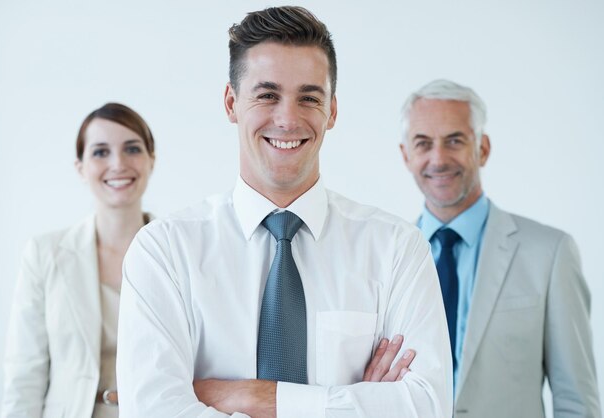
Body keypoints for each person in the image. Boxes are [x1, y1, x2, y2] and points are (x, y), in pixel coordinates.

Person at [117, 6, 451, 418]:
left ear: (331, 110)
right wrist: (355, 403)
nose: (288, 119)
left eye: (309, 97)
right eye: (267, 95)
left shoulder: (397, 249)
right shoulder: (164, 252)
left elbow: (428, 407)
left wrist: (250, 397)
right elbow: (152, 411)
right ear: (231, 102)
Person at [399, 79, 601, 417]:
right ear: (406, 155)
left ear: (483, 148)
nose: (439, 158)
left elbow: (576, 402)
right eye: (423, 143)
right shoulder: (387, 256)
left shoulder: (550, 254)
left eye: (454, 140)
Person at [1, 103, 156, 418]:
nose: (118, 163)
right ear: (80, 167)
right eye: (100, 152)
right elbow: (24, 376)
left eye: (132, 148)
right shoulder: (45, 254)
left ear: (151, 161)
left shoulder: (181, 253)